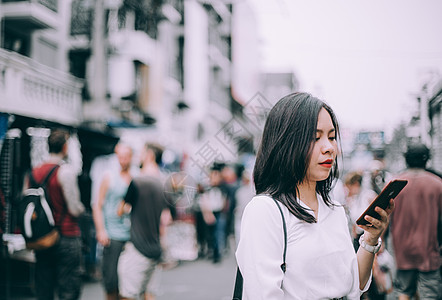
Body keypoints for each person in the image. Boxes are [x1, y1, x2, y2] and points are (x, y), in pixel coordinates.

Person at [236, 92, 394, 299]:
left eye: (331, 137)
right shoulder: (265, 211)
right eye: (315, 137)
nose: (329, 148)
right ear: (286, 143)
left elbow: (354, 285)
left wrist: (371, 238)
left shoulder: (335, 210)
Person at [28, 129, 85, 300]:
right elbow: (74, 208)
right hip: (66, 236)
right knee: (68, 289)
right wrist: (83, 209)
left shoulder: (35, 172)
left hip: (43, 238)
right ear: (65, 147)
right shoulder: (65, 171)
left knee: (44, 287)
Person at [117, 143, 170, 300]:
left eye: (142, 152)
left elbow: (120, 210)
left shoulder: (138, 182)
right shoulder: (164, 182)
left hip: (138, 247)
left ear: (149, 156)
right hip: (155, 247)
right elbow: (166, 218)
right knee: (149, 294)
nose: (139, 156)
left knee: (128, 293)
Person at [389, 143, 442, 300]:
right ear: (427, 159)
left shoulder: (395, 184)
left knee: (404, 291)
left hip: (403, 250)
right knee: (429, 294)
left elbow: (384, 217)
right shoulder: (437, 185)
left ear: (406, 159)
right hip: (429, 249)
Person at [92, 143, 134, 300]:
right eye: (120, 157)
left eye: (125, 157)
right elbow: (98, 205)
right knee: (111, 280)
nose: (122, 160)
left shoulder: (135, 178)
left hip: (131, 235)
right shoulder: (109, 177)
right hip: (112, 235)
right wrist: (100, 230)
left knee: (128, 282)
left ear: (131, 157)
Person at [344, 171, 378, 251]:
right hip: (358, 237)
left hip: (369, 234)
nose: (349, 191)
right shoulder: (353, 200)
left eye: (350, 187)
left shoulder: (369, 196)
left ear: (356, 184)